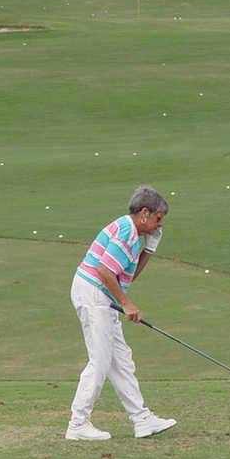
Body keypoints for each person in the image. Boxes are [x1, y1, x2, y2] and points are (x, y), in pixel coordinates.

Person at [66, 186, 177, 441]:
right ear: (145, 213)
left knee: (121, 361)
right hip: (94, 293)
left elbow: (127, 276)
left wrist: (149, 249)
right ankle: (78, 424)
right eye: (158, 218)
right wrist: (126, 304)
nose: (160, 225)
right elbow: (105, 271)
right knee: (100, 361)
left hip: (100, 294)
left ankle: (141, 419)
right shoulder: (127, 231)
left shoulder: (133, 234)